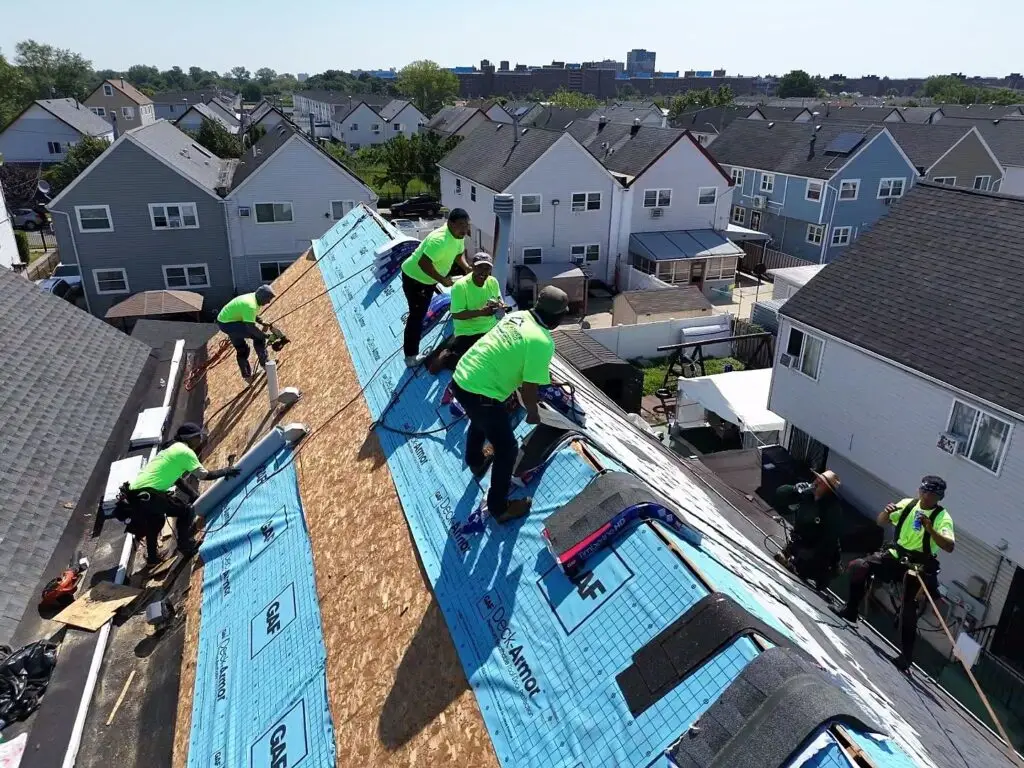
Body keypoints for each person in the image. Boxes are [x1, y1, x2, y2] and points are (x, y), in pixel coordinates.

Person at [452, 286, 568, 523]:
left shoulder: (518, 316)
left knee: (480, 418)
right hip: (481, 392)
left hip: (462, 377)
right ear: (557, 317)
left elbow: (512, 353)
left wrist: (542, 375)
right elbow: (529, 387)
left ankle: (475, 461)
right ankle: (499, 508)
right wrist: (534, 413)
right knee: (507, 449)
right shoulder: (542, 341)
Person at [832, 475, 955, 671]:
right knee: (858, 566)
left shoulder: (942, 517)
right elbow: (881, 521)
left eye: (931, 494)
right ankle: (851, 610)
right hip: (896, 554)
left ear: (938, 497)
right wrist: (886, 512)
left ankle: (906, 657)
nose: (926, 496)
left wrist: (930, 529)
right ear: (919, 490)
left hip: (918, 565)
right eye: (924, 491)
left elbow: (949, 546)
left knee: (908, 608)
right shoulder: (908, 504)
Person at [117, 423, 240, 564]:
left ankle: (152, 558)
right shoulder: (184, 452)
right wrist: (226, 471)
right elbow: (203, 475)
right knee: (185, 511)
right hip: (149, 494)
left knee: (155, 521)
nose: (200, 440)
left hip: (135, 495)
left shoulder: (172, 449)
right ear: (190, 438)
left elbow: (177, 480)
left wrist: (194, 495)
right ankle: (186, 547)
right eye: (198, 437)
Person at [400, 209, 472, 367]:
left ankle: (411, 351)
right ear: (450, 224)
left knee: (419, 312)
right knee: (416, 316)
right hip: (415, 279)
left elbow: (459, 254)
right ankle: (410, 357)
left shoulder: (458, 236)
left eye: (467, 225)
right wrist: (441, 280)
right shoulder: (439, 240)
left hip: (428, 280)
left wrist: (467, 268)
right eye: (461, 225)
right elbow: (423, 263)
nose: (464, 229)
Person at [428, 252, 503, 374]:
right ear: (472, 267)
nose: (483, 272)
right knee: (471, 365)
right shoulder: (460, 286)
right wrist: (481, 312)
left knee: (500, 356)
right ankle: (446, 356)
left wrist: (499, 305)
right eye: (479, 267)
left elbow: (498, 300)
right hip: (468, 331)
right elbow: (457, 314)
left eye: (487, 268)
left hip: (490, 327)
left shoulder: (493, 281)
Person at [774, 470, 843, 590]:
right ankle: (795, 556)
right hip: (801, 540)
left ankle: (823, 574)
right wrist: (793, 489)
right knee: (793, 557)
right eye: (817, 479)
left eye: (821, 482)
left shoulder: (833, 509)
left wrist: (812, 553)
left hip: (819, 550)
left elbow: (830, 540)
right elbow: (780, 494)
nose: (816, 482)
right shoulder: (807, 494)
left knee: (803, 571)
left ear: (828, 489)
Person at [216, 285, 276, 382]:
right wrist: (266, 336)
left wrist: (261, 321)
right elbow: (251, 327)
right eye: (268, 300)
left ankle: (247, 376)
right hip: (230, 324)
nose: (268, 302)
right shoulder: (250, 305)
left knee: (242, 348)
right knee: (259, 338)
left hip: (225, 320)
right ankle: (265, 364)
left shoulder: (253, 297)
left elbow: (250, 314)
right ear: (262, 297)